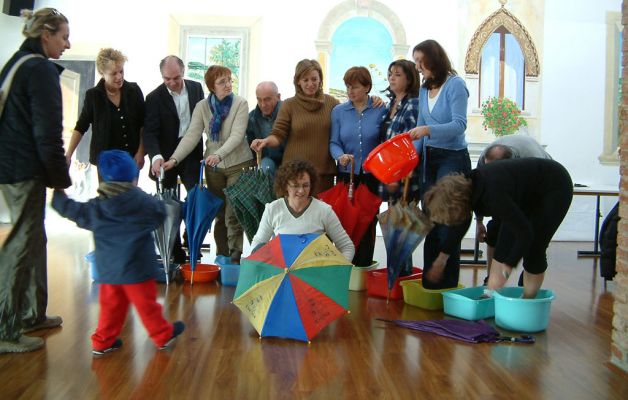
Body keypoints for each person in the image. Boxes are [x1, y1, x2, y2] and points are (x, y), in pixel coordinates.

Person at [51, 150, 185, 357]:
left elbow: (73, 211)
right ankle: (162, 334)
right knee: (147, 306)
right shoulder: (141, 200)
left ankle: (102, 342)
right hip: (137, 271)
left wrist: (59, 195)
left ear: (104, 177)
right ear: (132, 176)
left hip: (109, 272)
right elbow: (160, 213)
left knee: (110, 309)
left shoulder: (97, 206)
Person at [0, 7, 72, 354]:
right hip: (24, 169)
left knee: (33, 239)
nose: (67, 44)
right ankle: (5, 329)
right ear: (46, 34)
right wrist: (61, 180)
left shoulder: (16, 63)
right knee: (19, 246)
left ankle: (32, 315)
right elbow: (48, 133)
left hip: (13, 167)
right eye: (63, 36)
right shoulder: (40, 69)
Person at [423, 158, 573, 299]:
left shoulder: (493, 196)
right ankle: (490, 295)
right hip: (524, 193)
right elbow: (462, 222)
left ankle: (527, 302)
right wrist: (441, 259)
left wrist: (508, 266)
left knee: (535, 249)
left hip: (554, 187)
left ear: (456, 206)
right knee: (504, 242)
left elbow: (525, 233)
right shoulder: (467, 186)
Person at [163, 65, 253, 264]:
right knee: (219, 213)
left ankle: (235, 256)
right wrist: (174, 159)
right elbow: (192, 135)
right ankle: (222, 256)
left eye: (229, 80)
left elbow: (237, 136)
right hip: (214, 168)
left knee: (233, 212)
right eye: (222, 82)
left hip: (239, 163)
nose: (228, 85)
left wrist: (219, 154)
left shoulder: (241, 103)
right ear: (212, 86)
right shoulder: (202, 106)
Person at [409, 39, 472, 289]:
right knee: (430, 220)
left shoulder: (456, 85)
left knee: (448, 219)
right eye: (415, 62)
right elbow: (420, 133)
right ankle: (430, 282)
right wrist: (414, 160)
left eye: (419, 61)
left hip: (452, 158)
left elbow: (459, 126)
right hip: (430, 159)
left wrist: (427, 130)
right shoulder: (425, 90)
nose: (417, 67)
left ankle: (447, 281)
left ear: (433, 60)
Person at [144, 55, 204, 264]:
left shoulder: (197, 89)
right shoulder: (153, 98)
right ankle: (175, 250)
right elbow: (150, 133)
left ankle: (192, 241)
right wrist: (156, 157)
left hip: (192, 154)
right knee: (168, 204)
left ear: (183, 72)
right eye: (166, 78)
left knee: (196, 198)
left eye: (176, 78)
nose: (172, 82)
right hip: (165, 155)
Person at [250, 59, 339, 194]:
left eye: (314, 79)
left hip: (323, 174)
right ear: (298, 81)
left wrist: (371, 100)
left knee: (320, 214)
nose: (310, 84)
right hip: (294, 174)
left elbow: (350, 114)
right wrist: (265, 141)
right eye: (305, 80)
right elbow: (278, 134)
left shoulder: (332, 103)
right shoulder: (289, 105)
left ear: (320, 79)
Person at [475, 135, 552, 285]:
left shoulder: (530, 160)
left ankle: (529, 277)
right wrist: (479, 222)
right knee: (495, 229)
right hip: (513, 183)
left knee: (535, 238)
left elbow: (524, 217)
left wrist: (510, 261)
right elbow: (479, 192)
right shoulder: (483, 159)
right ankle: (490, 278)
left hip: (544, 186)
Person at [329, 66, 387, 267]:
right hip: (348, 174)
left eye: (355, 87)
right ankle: (346, 264)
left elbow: (384, 141)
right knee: (346, 219)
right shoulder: (338, 111)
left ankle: (364, 265)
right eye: (347, 87)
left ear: (367, 87)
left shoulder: (381, 109)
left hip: (373, 175)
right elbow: (334, 142)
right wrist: (340, 155)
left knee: (368, 220)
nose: (350, 91)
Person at [251, 160, 354, 261]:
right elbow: (258, 243)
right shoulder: (272, 209)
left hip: (315, 273)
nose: (301, 191)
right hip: (281, 272)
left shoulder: (324, 211)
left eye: (305, 185)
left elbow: (347, 246)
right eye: (295, 185)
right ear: (285, 186)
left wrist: (338, 270)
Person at [65, 48, 145, 177]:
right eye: (114, 73)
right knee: (108, 196)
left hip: (132, 158)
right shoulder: (93, 96)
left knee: (130, 196)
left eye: (121, 71)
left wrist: (141, 152)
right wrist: (68, 154)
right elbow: (81, 126)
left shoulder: (134, 91)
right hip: (106, 162)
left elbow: (143, 124)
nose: (119, 77)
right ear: (102, 73)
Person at [246, 81, 284, 176]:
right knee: (263, 168)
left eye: (267, 99)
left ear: (278, 97)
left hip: (290, 158)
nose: (263, 105)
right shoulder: (252, 118)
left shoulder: (288, 112)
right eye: (259, 100)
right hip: (267, 160)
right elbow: (251, 145)